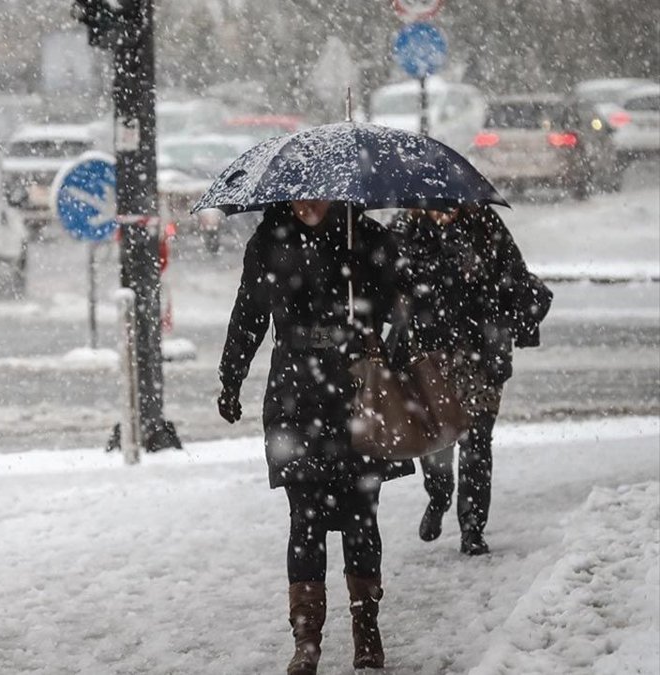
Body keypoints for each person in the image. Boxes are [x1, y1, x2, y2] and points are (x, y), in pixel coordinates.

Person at [217, 200, 413, 674]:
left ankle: (367, 626)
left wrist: (369, 309)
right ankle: (306, 638)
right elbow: (250, 312)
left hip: (355, 391)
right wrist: (231, 376)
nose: (309, 202)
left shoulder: (363, 237)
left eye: (319, 193)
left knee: (361, 515)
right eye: (300, 194)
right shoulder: (269, 242)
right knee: (305, 517)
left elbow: (404, 303)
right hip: (296, 394)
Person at [389, 205, 550, 556]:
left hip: (480, 354)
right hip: (431, 356)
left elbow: (515, 277)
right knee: (436, 442)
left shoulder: (485, 224)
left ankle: (473, 527)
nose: (444, 211)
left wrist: (487, 283)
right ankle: (439, 495)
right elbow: (387, 288)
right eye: (435, 205)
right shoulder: (404, 230)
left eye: (451, 205)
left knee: (477, 443)